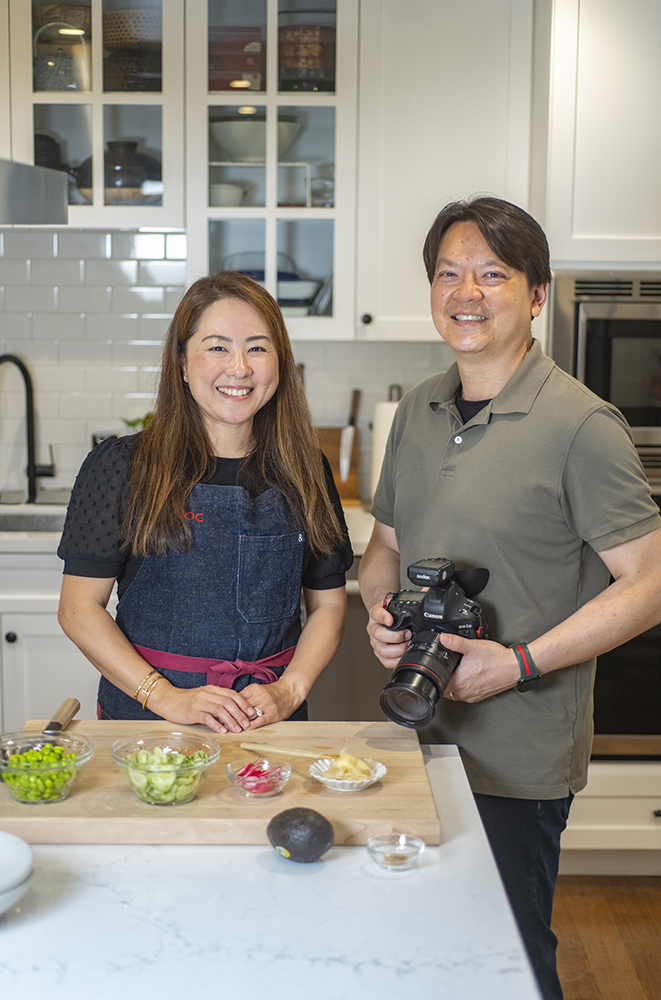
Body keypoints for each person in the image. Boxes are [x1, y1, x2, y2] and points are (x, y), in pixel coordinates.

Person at [358, 196, 661, 1000]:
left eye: (491, 274)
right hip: (418, 731)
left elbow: (650, 583)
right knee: (425, 948)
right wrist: (379, 614)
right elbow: (384, 547)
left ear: (534, 296)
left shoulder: (580, 425)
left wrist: (517, 661)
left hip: (518, 757)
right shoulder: (418, 410)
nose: (466, 293)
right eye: (449, 274)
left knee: (509, 961)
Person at [58, 271, 352, 735]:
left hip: (270, 724)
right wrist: (167, 697)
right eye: (217, 347)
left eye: (258, 347)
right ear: (181, 361)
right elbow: (78, 609)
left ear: (280, 362)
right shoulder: (122, 465)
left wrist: (290, 689)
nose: (239, 367)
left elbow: (329, 607)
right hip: (149, 725)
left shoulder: (306, 469)